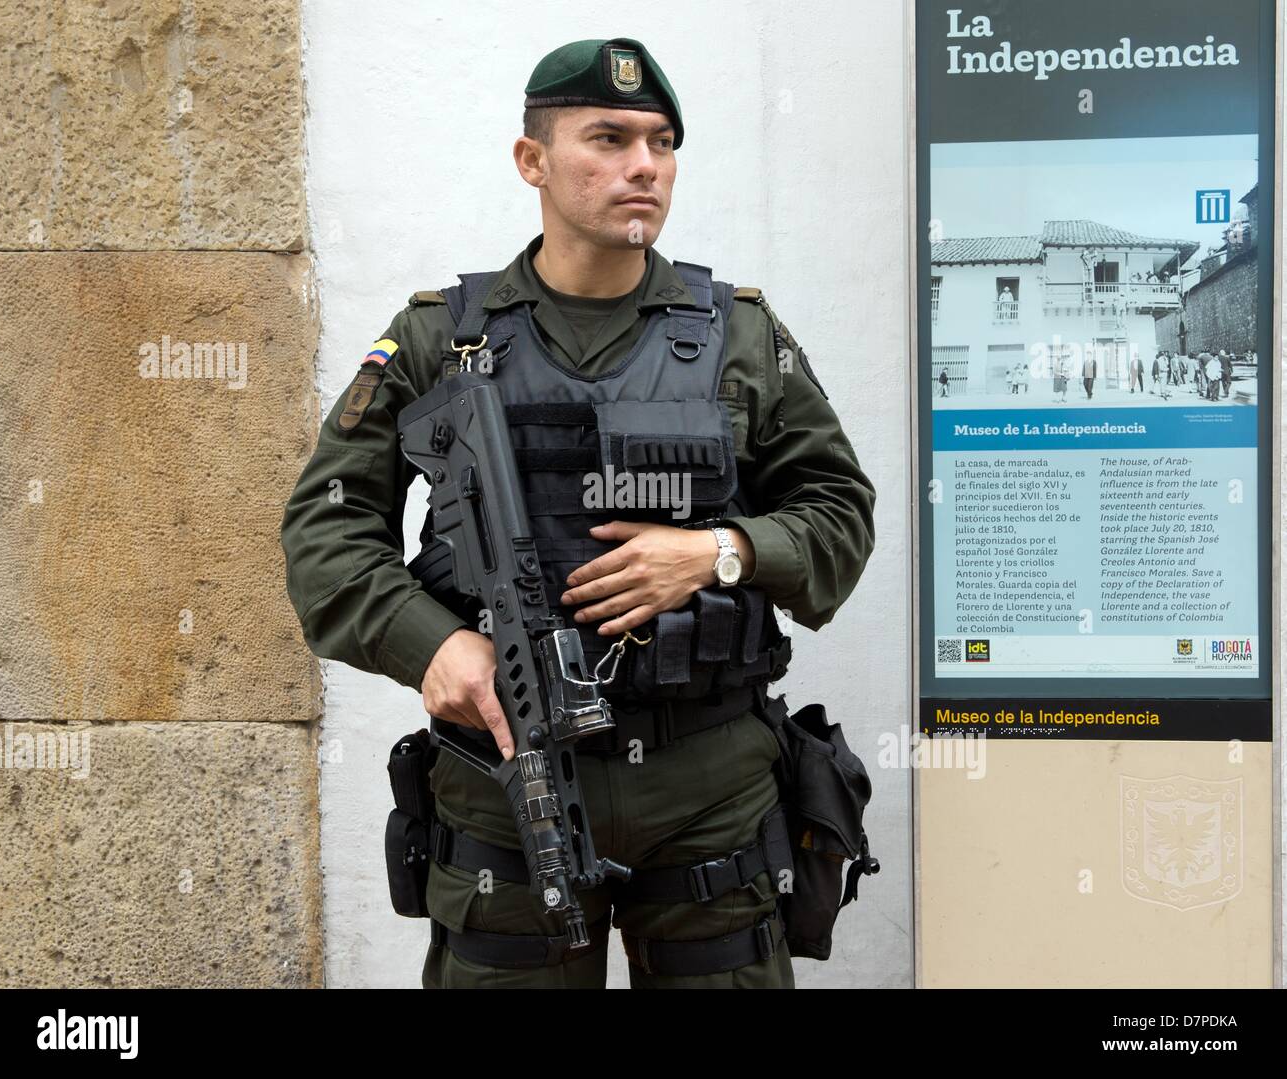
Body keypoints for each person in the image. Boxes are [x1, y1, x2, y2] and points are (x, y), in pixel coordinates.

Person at [280, 37, 877, 989]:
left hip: (709, 789)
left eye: (661, 142)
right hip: (505, 785)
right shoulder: (442, 339)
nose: (644, 165)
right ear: (534, 162)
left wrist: (720, 552)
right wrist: (432, 645)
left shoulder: (740, 336)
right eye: (608, 138)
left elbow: (840, 514)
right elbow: (326, 532)